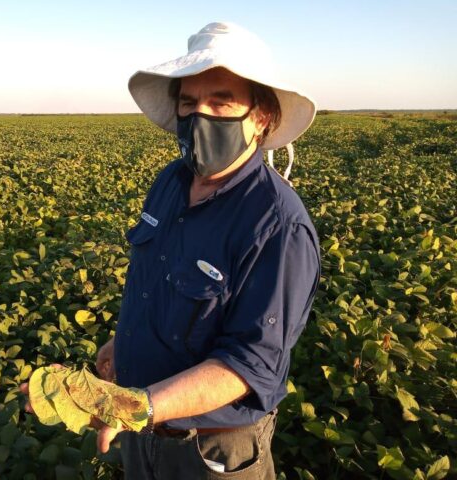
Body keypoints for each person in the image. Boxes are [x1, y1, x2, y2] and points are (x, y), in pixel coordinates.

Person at [23, 21, 320, 479]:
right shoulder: (170, 182)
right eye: (188, 102)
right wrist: (124, 344)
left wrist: (129, 405)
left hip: (212, 452)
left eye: (221, 101)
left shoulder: (277, 223)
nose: (200, 115)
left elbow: (249, 366)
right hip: (142, 432)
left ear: (261, 117)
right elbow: (155, 284)